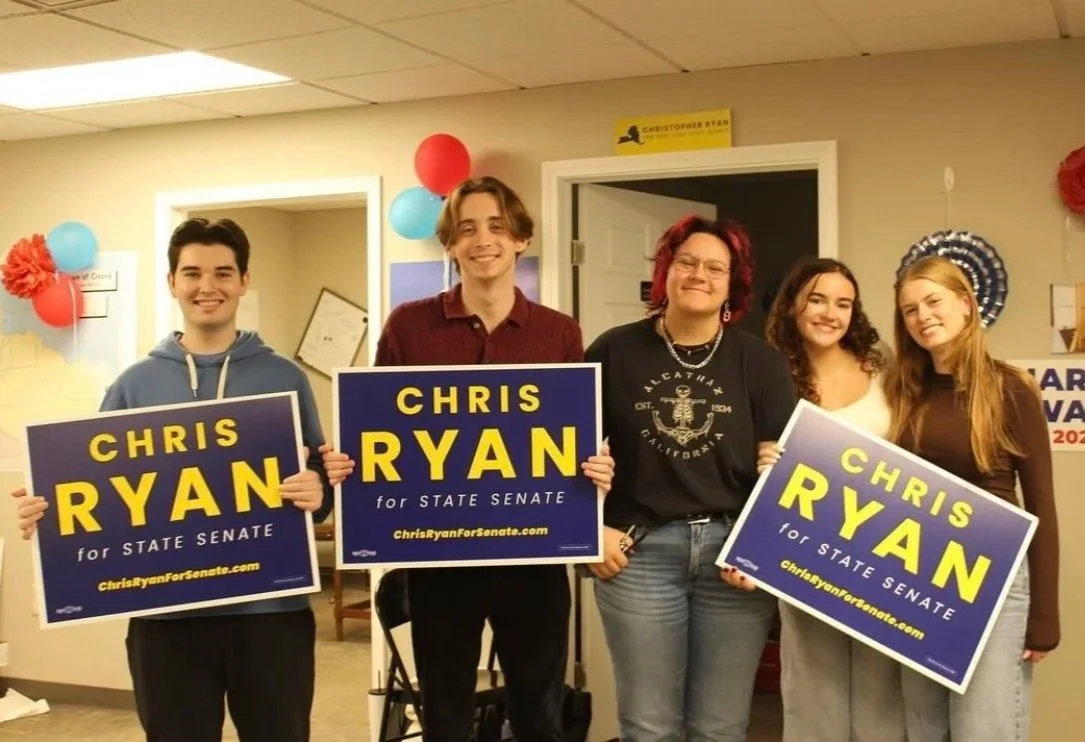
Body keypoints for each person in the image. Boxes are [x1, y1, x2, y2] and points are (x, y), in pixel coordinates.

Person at [13, 217, 333, 742]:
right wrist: (47, 512)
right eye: (192, 273)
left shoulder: (283, 377)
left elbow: (319, 477)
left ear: (244, 281)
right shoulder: (135, 385)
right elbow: (95, 488)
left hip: (271, 615)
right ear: (172, 282)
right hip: (166, 622)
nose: (207, 286)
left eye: (223, 273)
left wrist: (317, 490)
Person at [322, 176, 615, 742]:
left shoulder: (558, 332)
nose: (484, 240)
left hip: (535, 555)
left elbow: (578, 435)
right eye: (468, 229)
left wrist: (597, 469)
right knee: (445, 717)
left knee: (539, 718)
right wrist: (347, 463)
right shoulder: (409, 326)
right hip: (440, 557)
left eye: (498, 227)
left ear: (521, 239)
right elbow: (377, 427)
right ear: (451, 244)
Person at [582, 214, 795, 741]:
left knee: (720, 728)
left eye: (715, 268)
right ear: (666, 271)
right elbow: (566, 454)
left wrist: (762, 552)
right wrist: (589, 532)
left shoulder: (761, 363)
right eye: (687, 262)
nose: (700, 274)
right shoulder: (612, 352)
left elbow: (786, 477)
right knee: (648, 726)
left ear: (732, 284)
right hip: (638, 556)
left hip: (732, 561)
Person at [888, 255, 1059, 741]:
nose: (923, 317)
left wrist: (1044, 616)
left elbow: (1042, 506)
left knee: (983, 731)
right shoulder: (902, 391)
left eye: (933, 301)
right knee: (925, 730)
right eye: (910, 310)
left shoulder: (1011, 388)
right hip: (918, 575)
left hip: (993, 579)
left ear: (966, 303)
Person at [762, 257, 906, 742]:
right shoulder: (768, 371)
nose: (830, 313)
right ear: (793, 305)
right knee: (813, 694)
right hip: (806, 550)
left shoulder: (882, 362)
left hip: (882, 551)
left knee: (882, 697)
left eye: (843, 303)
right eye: (818, 300)